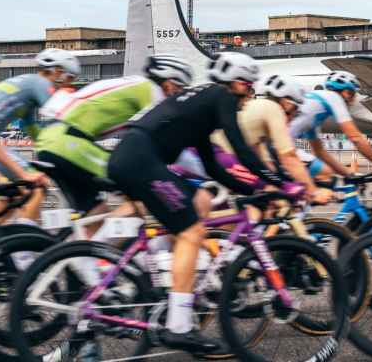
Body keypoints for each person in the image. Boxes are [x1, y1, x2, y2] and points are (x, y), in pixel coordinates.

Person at [107, 52, 295, 353]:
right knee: (191, 232)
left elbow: (213, 167)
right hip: (141, 160)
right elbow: (243, 150)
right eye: (249, 87)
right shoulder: (220, 97)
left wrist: (254, 189)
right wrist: (280, 183)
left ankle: (154, 277)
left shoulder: (202, 105)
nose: (250, 94)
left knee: (196, 204)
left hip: (134, 157)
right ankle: (179, 326)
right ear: (237, 82)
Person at [35, 55, 194, 215]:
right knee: (138, 192)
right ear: (169, 84)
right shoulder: (151, 91)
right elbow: (162, 137)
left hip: (52, 141)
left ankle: (73, 240)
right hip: (68, 141)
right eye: (180, 89)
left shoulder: (136, 84)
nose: (179, 95)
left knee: (96, 211)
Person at [0, 47, 73, 219]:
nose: (70, 84)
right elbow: (63, 116)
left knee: (9, 193)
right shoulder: (40, 83)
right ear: (58, 72)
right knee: (35, 186)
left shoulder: (26, 90)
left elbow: (38, 135)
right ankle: (24, 242)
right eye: (70, 78)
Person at [207, 74, 332, 204]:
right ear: (287, 103)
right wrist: (313, 192)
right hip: (218, 156)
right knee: (270, 199)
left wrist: (289, 187)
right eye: (296, 110)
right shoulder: (273, 109)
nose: (294, 116)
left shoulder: (258, 113)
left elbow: (266, 165)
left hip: (215, 156)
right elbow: (289, 157)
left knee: (270, 199)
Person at [289, 70, 372, 180]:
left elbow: (319, 152)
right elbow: (356, 138)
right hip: (281, 148)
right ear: (347, 92)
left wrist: (349, 174)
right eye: (353, 94)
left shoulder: (314, 107)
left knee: (318, 179)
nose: (354, 100)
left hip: (276, 147)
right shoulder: (334, 98)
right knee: (325, 175)